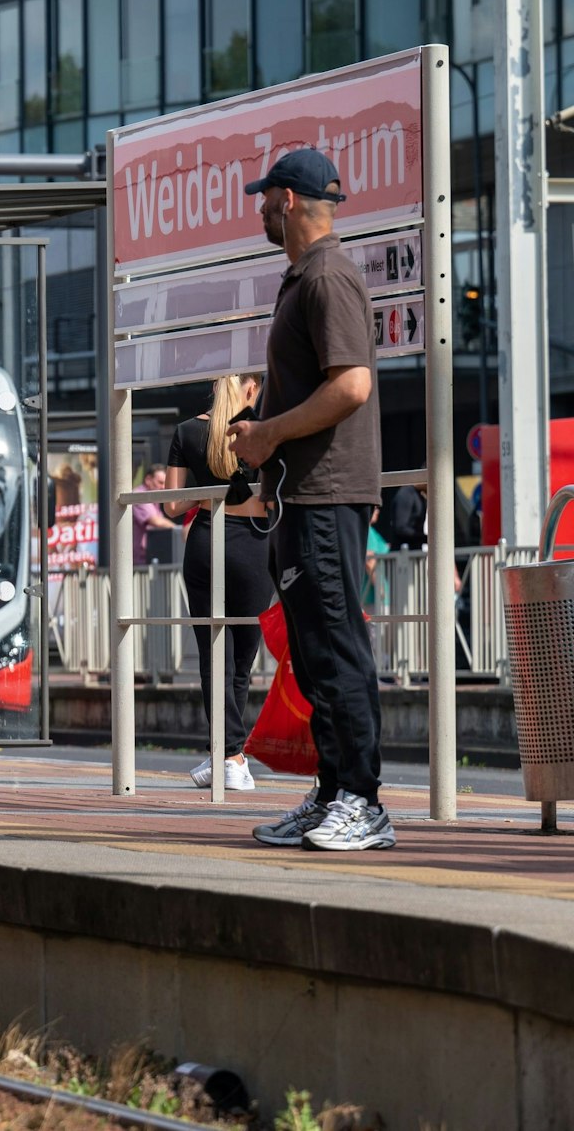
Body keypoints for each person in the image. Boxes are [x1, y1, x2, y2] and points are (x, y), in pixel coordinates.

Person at [231, 148, 392, 852]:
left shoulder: (327, 276)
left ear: (288, 200)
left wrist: (267, 433)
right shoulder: (305, 277)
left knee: (335, 648)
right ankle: (333, 794)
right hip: (304, 496)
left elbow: (351, 384)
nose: (260, 210)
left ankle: (363, 802)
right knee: (314, 651)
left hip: (325, 494)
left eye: (265, 198)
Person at [163, 374, 275, 791]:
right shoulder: (264, 430)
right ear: (251, 388)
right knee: (242, 660)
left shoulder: (187, 431)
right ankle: (230, 755)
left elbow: (172, 506)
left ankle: (226, 754)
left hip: (208, 541)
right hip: (255, 546)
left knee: (215, 657)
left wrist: (208, 490)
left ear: (215, 384)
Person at [132, 467, 180, 565]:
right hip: (136, 562)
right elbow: (157, 522)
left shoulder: (153, 498)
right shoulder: (139, 495)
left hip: (148, 558)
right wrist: (179, 530)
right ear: (148, 480)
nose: (163, 487)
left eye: (165, 484)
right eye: (160, 482)